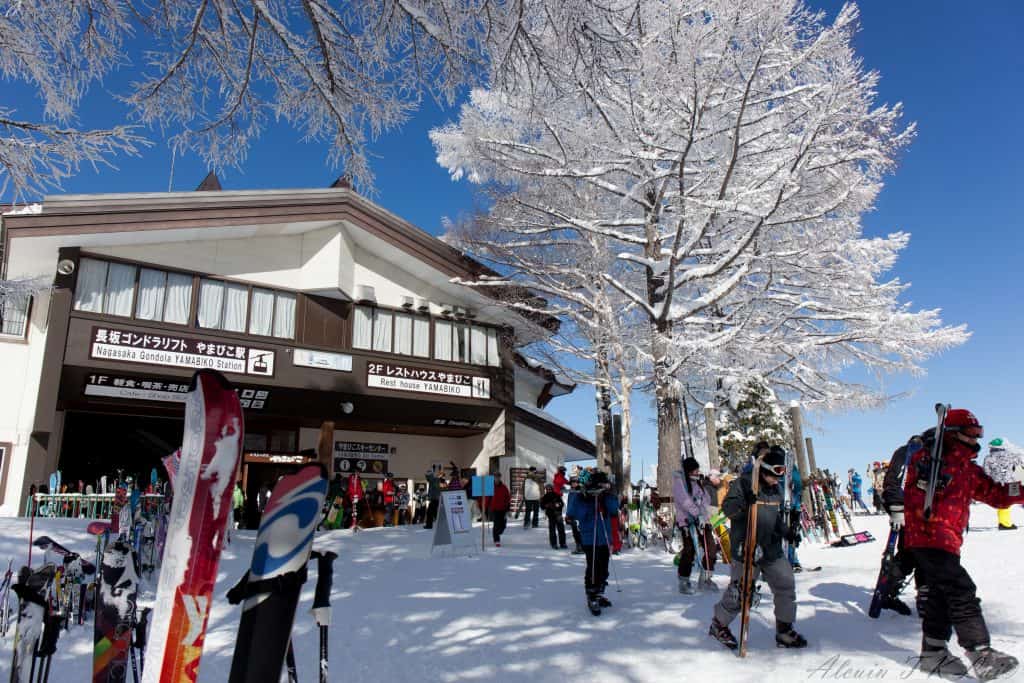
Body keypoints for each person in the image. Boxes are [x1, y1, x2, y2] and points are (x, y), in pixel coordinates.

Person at [903, 408, 1024, 680]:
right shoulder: (929, 459)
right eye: (971, 434)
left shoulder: (969, 469)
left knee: (940, 592)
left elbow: (996, 494)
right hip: (927, 536)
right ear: (953, 434)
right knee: (960, 589)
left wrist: (1021, 491)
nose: (976, 439)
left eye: (979, 433)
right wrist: (930, 451)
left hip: (948, 541)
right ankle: (980, 653)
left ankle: (933, 652)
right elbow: (914, 486)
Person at [710, 444, 806, 651]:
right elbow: (727, 509)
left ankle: (784, 629)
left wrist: (786, 531)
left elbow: (775, 518)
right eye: (774, 475)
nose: (776, 480)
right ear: (763, 470)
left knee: (785, 584)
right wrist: (744, 505)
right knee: (741, 592)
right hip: (747, 547)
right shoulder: (744, 484)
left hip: (771, 548)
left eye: (780, 476)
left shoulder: (776, 489)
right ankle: (719, 625)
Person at [566, 470, 619, 614]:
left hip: (604, 537)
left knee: (603, 567)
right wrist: (587, 499)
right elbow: (575, 514)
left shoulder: (605, 496)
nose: (602, 487)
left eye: (604, 484)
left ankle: (599, 592)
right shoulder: (579, 496)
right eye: (600, 484)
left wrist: (608, 495)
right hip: (590, 537)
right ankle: (591, 594)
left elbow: (614, 510)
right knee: (593, 567)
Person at [673, 457, 716, 594]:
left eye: (698, 470)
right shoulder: (680, 483)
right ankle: (684, 580)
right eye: (695, 470)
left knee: (711, 549)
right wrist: (697, 513)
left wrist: (705, 510)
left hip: (703, 521)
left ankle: (705, 578)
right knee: (689, 551)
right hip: (688, 522)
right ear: (689, 471)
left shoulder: (698, 484)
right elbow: (684, 501)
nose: (698, 472)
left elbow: (707, 499)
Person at [983, 438, 1023, 531]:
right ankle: (1005, 523)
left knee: (1004, 503)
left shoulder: (988, 458)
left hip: (998, 484)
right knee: (1018, 499)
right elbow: (1021, 462)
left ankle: (1005, 523)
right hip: (1012, 483)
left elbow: (986, 472)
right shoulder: (1011, 455)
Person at [485, 472, 511, 547]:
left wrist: (508, 509)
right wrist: (486, 508)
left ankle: (497, 533)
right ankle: (497, 540)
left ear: (500, 478)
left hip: (503, 509)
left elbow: (508, 498)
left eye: (498, 477)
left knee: (503, 525)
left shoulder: (504, 487)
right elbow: (488, 498)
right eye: (496, 477)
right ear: (494, 478)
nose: (497, 478)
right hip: (494, 509)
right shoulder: (491, 487)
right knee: (496, 524)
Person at [541, 483, 567, 549]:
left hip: (558, 514)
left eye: (550, 489)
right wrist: (547, 505)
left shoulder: (556, 495)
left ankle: (563, 543)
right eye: (547, 489)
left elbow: (562, 504)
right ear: (546, 490)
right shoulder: (544, 497)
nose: (549, 490)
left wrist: (557, 504)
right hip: (551, 515)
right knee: (552, 530)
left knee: (561, 529)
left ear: (552, 489)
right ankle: (554, 544)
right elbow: (542, 506)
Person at [565, 477, 584, 554]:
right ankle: (578, 546)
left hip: (579, 515)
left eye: (575, 482)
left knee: (580, 532)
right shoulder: (571, 492)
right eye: (572, 482)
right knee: (575, 532)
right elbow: (569, 504)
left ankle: (582, 547)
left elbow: (582, 504)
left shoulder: (580, 491)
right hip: (572, 515)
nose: (574, 483)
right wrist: (567, 514)